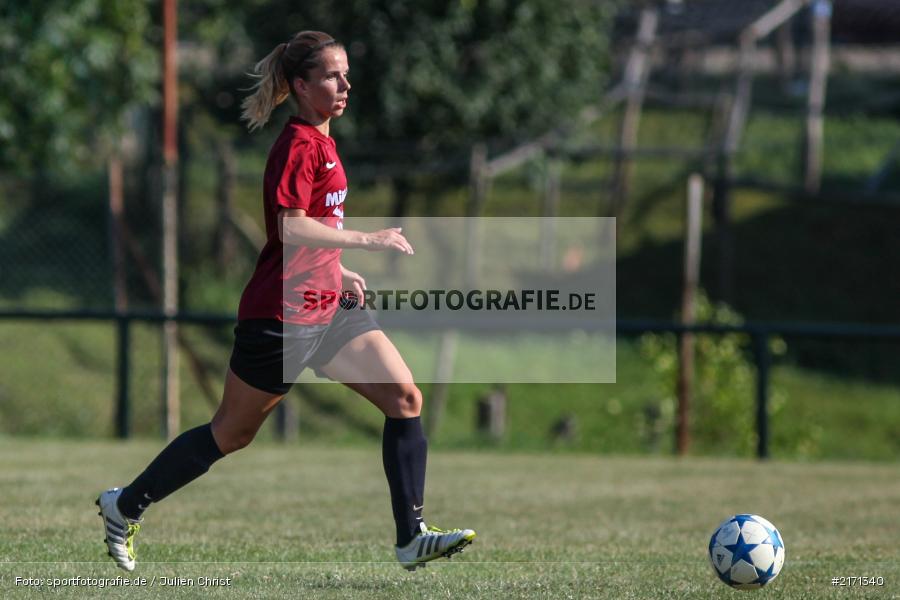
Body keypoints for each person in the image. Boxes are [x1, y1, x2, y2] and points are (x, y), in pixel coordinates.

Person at [97, 30, 475, 573]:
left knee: (405, 397)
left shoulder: (323, 141)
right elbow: (292, 229)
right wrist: (367, 241)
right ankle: (125, 504)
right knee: (231, 433)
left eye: (345, 73)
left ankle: (411, 536)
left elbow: (306, 233)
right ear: (300, 85)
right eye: (330, 75)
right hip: (280, 315)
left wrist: (339, 270)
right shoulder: (299, 144)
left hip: (326, 303)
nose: (345, 83)